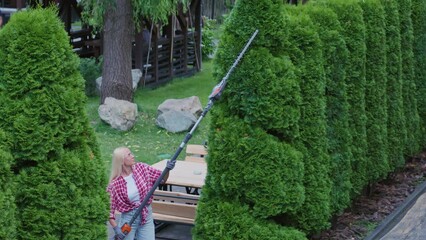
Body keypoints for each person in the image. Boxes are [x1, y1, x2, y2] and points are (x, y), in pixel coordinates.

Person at [107, 147, 175, 240]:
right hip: (129, 219)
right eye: (129, 155)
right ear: (122, 161)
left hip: (146, 214)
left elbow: (162, 179)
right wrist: (116, 229)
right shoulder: (115, 184)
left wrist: (167, 170)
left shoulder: (141, 168)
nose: (133, 156)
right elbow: (108, 211)